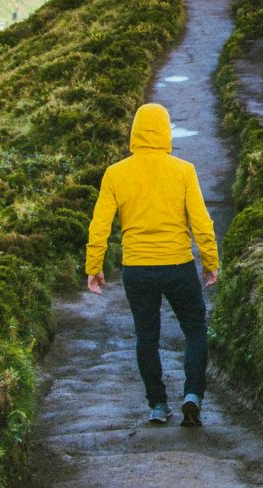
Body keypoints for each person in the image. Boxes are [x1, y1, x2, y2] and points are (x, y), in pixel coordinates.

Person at [85, 101, 220, 427]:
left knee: (147, 337)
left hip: (137, 269)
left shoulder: (116, 173)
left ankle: (158, 405)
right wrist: (210, 260)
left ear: (135, 132)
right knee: (195, 331)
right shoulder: (183, 171)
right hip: (178, 265)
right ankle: (192, 395)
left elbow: (99, 224)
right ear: (164, 131)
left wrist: (95, 266)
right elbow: (201, 222)